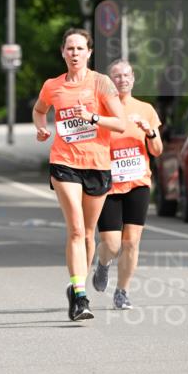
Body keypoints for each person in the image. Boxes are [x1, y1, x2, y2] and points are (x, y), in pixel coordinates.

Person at [32, 27, 125, 321]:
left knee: (87, 233)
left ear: (89, 52)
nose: (74, 53)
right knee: (74, 228)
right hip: (64, 162)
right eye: (69, 48)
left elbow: (120, 124)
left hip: (97, 164)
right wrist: (41, 127)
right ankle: (81, 296)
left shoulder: (102, 83)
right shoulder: (52, 86)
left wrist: (93, 117)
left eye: (80, 48)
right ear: (62, 52)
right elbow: (39, 110)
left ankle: (77, 287)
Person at [92, 59, 163, 309]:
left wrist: (150, 132)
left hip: (138, 182)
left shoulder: (145, 109)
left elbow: (157, 150)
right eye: (116, 76)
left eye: (126, 75)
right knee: (111, 244)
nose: (122, 80)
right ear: (109, 81)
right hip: (109, 185)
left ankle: (122, 291)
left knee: (131, 242)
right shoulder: (100, 109)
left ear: (133, 79)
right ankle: (102, 265)